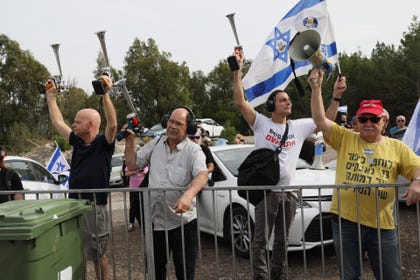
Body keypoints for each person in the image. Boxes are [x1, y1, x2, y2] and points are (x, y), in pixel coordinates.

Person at [232, 50, 347, 279]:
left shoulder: (298, 126)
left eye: (289, 99)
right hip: (267, 193)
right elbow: (239, 101)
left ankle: (279, 276)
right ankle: (261, 277)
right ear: (271, 106)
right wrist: (237, 73)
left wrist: (334, 96)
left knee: (283, 241)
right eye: (283, 100)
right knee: (260, 240)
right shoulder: (260, 123)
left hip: (290, 193)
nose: (288, 102)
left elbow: (326, 120)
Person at [309, 68, 420, 280]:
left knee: (390, 276)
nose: (368, 123)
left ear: (384, 122)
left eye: (374, 119)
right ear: (357, 122)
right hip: (346, 222)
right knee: (350, 276)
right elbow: (320, 120)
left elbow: (418, 166)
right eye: (363, 119)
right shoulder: (346, 138)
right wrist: (316, 89)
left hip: (382, 225)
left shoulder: (397, 147)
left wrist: (417, 181)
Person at [45, 75, 117, 280]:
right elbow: (58, 122)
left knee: (98, 254)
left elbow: (112, 124)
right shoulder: (77, 142)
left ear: (90, 125)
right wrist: (51, 98)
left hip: (95, 207)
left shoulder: (104, 144)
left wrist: (106, 95)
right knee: (75, 251)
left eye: (77, 122)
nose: (73, 125)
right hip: (75, 206)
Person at [124, 106, 208, 280]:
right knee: (155, 271)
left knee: (184, 272)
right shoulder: (155, 144)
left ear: (189, 128)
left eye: (179, 123)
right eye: (171, 122)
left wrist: (188, 195)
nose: (173, 126)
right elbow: (132, 165)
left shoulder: (194, 150)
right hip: (156, 221)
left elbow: (202, 174)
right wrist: (129, 141)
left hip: (183, 223)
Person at [126, 165, 148, 232]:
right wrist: (136, 171)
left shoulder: (146, 164)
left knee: (144, 205)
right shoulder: (131, 164)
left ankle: (145, 223)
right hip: (133, 188)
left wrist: (144, 173)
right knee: (132, 206)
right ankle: (131, 223)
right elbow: (126, 174)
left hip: (144, 188)